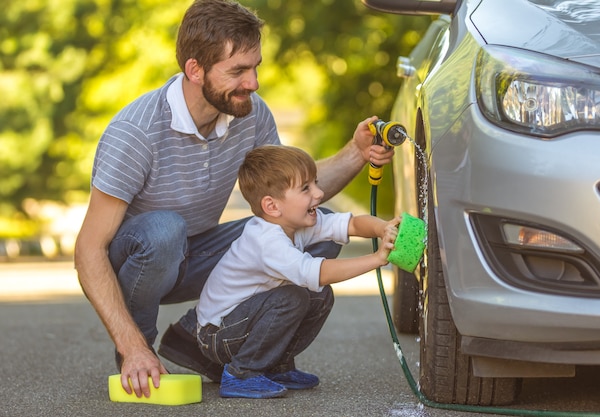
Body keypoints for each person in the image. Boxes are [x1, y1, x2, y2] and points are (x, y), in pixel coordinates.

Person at [74, 0, 394, 399]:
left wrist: (357, 152)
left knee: (315, 221)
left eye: (255, 66)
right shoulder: (136, 132)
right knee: (164, 230)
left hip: (200, 252)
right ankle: (139, 352)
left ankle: (209, 343)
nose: (254, 82)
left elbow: (289, 196)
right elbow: (89, 248)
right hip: (142, 260)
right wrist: (131, 345)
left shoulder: (250, 114)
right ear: (195, 70)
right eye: (238, 71)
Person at [196, 145, 400, 399]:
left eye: (315, 183)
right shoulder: (266, 241)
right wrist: (377, 258)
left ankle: (275, 366)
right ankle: (242, 373)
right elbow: (318, 272)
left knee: (320, 295)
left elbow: (351, 223)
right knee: (293, 297)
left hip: (240, 323)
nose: (319, 193)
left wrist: (384, 228)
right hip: (217, 335)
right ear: (272, 206)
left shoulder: (295, 223)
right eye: (306, 188)